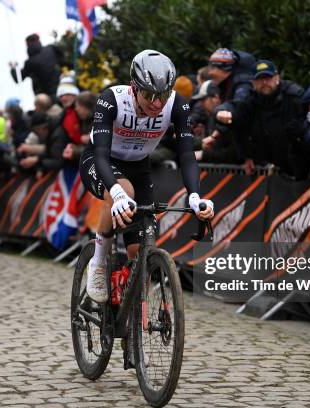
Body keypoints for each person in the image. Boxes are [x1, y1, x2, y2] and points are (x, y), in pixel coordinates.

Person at [79, 49, 215, 303]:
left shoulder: (177, 105)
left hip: (139, 166)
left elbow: (186, 155)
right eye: (150, 95)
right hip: (101, 161)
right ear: (133, 87)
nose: (157, 103)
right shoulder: (111, 100)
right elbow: (100, 153)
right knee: (125, 192)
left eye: (162, 95)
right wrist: (117, 193)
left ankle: (128, 317)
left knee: (139, 249)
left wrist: (195, 196)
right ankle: (98, 261)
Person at [219, 59, 304, 175]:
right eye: (259, 79)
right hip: (263, 168)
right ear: (253, 83)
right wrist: (246, 156)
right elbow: (239, 128)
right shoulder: (248, 102)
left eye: (268, 78)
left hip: (296, 167)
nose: (264, 82)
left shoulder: (294, 97)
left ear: (277, 78)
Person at [9, 33, 61, 99]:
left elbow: (18, 78)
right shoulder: (51, 49)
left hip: (45, 98)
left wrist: (13, 68)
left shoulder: (30, 63)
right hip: (61, 90)